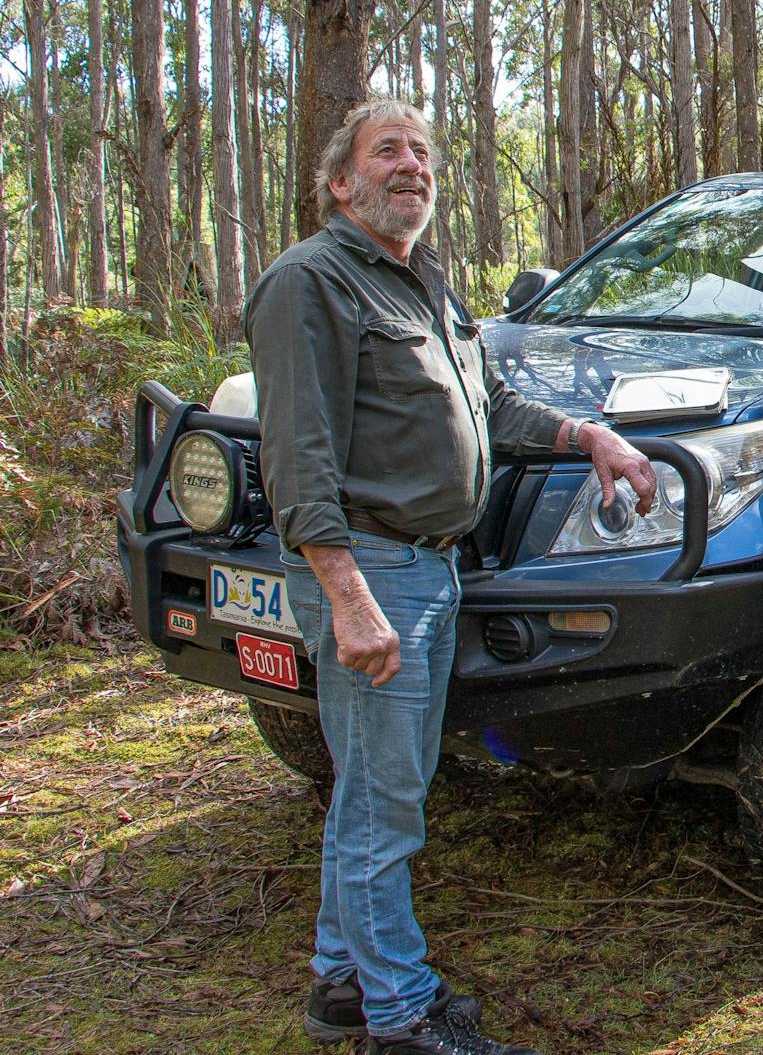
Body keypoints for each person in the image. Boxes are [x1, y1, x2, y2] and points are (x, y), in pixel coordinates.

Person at [245, 98, 656, 1055]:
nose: (413, 167)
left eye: (424, 153)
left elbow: (491, 404)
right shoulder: (309, 282)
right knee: (388, 798)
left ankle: (343, 984)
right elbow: (295, 459)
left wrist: (587, 434)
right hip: (372, 566)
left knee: (375, 789)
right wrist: (347, 597)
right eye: (387, 151)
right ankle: (402, 1014)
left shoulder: (421, 282)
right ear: (340, 183)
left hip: (431, 569)